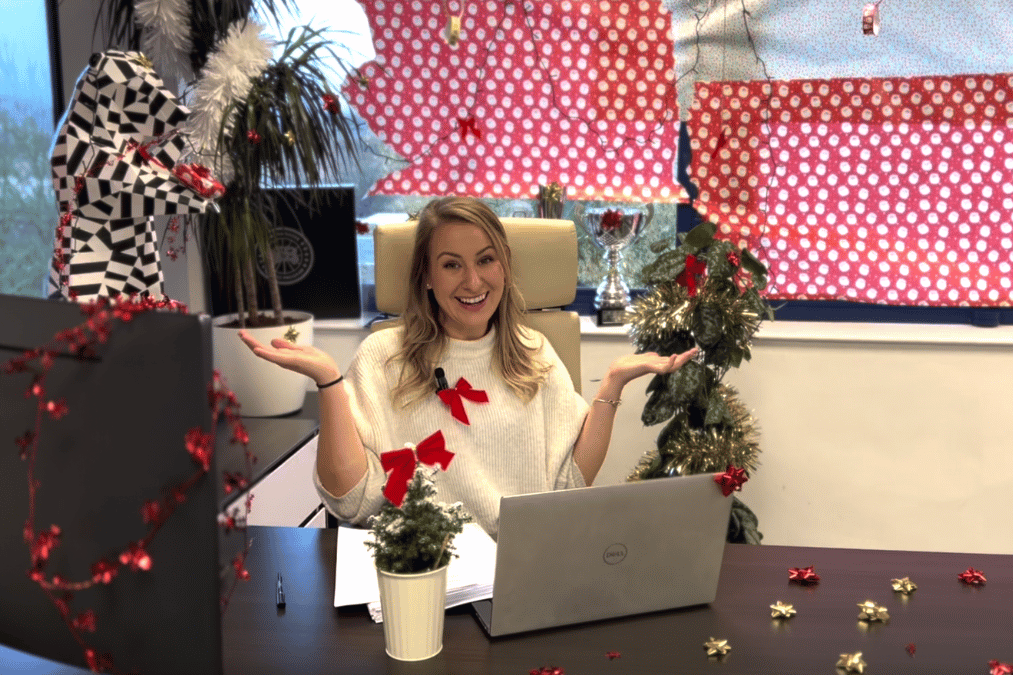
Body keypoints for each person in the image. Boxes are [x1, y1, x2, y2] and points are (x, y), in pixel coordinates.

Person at [239, 196, 698, 538]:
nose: (473, 281)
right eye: (451, 265)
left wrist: (612, 383)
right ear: (426, 276)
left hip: (515, 569)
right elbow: (350, 501)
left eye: (485, 260)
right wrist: (329, 381)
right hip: (421, 568)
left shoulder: (534, 352)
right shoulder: (383, 356)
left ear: (504, 266)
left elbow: (568, 483)